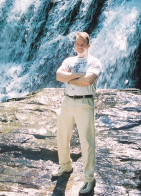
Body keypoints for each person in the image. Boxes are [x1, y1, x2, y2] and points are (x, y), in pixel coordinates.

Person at [52, 31, 103, 194]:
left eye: (83, 44)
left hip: (84, 102)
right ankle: (65, 166)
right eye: (77, 44)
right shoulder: (69, 60)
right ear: (74, 45)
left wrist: (69, 77)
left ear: (88, 45)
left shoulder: (94, 62)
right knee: (62, 135)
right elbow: (59, 76)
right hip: (67, 101)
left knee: (87, 142)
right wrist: (77, 76)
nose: (79, 47)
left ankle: (89, 179)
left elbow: (88, 80)